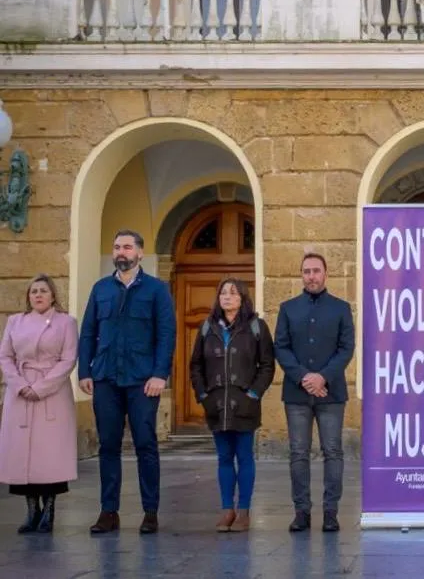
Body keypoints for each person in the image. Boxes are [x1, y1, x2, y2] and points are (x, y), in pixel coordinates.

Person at [78, 229, 176, 535]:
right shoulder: (101, 289)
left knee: (146, 445)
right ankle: (109, 511)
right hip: (106, 376)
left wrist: (160, 373)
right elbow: (87, 332)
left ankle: (150, 511)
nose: (121, 252)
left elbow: (166, 334)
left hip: (143, 379)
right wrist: (84, 371)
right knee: (108, 445)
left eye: (127, 247)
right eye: (117, 246)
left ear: (140, 254)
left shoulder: (157, 290)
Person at [275, 253, 354, 533]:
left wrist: (322, 377)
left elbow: (346, 348)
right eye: (306, 271)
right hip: (297, 394)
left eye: (316, 271)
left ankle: (331, 513)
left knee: (333, 451)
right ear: (301, 275)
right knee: (298, 453)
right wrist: (304, 377)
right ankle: (302, 512)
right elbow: (281, 347)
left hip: (331, 394)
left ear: (325, 273)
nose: (311, 276)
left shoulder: (341, 308)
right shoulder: (288, 308)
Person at [190, 278, 275, 533]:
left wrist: (253, 394)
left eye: (233, 293)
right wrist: (203, 395)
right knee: (224, 457)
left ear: (242, 297)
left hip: (244, 404)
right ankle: (227, 510)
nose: (227, 297)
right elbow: (195, 365)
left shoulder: (256, 327)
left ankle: (244, 511)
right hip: (216, 404)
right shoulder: (208, 327)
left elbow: (267, 365)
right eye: (223, 293)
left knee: (245, 456)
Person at [0, 274, 79, 533]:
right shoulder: (15, 322)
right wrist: (20, 384)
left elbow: (68, 359)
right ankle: (31, 508)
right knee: (23, 456)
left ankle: (49, 508)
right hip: (20, 393)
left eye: (43, 290)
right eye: (33, 291)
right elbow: (5, 356)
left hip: (52, 395)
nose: (38, 295)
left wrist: (42, 387)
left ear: (53, 295)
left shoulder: (66, 322)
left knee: (49, 457)